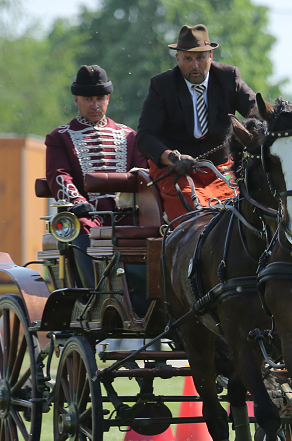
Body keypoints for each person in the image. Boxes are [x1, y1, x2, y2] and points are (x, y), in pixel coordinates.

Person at [136, 24, 257, 220]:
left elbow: (256, 112)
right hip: (175, 173)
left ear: (210, 56)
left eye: (200, 58)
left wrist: (280, 115)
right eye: (187, 59)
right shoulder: (161, 85)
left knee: (239, 212)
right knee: (196, 213)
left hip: (222, 171)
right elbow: (144, 137)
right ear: (177, 59)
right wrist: (173, 158)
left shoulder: (229, 77)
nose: (194, 65)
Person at [45, 64, 147, 286]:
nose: (95, 105)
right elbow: (59, 175)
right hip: (87, 214)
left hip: (127, 213)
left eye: (100, 98)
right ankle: (96, 294)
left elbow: (144, 175)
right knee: (80, 227)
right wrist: (78, 202)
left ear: (108, 99)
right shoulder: (60, 137)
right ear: (76, 100)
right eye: (88, 99)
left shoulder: (128, 135)